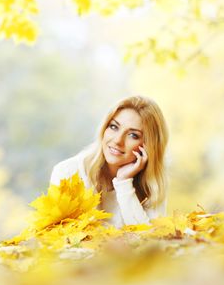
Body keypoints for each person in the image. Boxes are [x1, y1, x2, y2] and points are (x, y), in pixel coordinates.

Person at [49, 95, 169, 227]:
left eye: (133, 135)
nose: (118, 140)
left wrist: (124, 183)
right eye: (114, 127)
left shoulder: (152, 185)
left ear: (148, 146)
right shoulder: (68, 172)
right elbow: (59, 238)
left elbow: (150, 239)